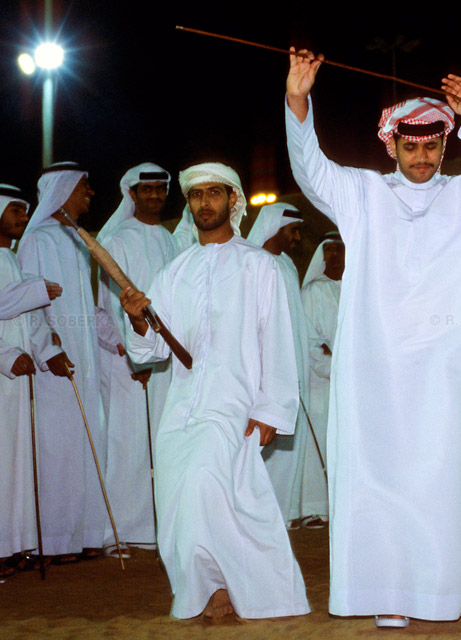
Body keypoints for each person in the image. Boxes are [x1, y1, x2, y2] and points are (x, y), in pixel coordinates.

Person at [285, 49, 461, 626]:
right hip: (377, 369)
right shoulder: (361, 195)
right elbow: (310, 169)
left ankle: (440, 592)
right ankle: (385, 596)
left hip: (448, 369)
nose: (421, 157)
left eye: (432, 146)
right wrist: (299, 102)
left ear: (445, 145)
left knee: (441, 477)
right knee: (377, 479)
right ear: (390, 145)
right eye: (410, 146)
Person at [119, 162, 308, 621]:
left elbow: (278, 342)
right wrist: (139, 320)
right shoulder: (174, 272)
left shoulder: (259, 266)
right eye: (197, 195)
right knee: (181, 497)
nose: (205, 202)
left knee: (209, 485)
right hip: (182, 405)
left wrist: (271, 408)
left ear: (233, 200)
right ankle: (204, 587)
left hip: (234, 402)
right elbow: (150, 353)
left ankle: (227, 590)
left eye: (215, 193)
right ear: (189, 203)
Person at [17, 162, 110, 563]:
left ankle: (86, 535)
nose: (90, 193)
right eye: (84, 186)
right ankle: (55, 542)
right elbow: (27, 303)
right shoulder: (37, 239)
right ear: (64, 188)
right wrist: (47, 349)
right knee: (58, 450)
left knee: (87, 447)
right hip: (54, 361)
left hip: (84, 360)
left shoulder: (75, 239)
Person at [96, 164, 177, 554]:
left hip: (164, 359)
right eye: (147, 189)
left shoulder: (168, 238)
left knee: (161, 443)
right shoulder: (118, 237)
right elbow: (108, 303)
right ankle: (121, 531)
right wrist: (136, 354)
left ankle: (153, 528)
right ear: (132, 194)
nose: (155, 195)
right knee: (128, 443)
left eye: (160, 188)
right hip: (128, 358)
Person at [0, 184, 67, 576]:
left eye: (25, 211)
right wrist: (8, 357)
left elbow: (31, 318)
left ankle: (14, 547)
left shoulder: (12, 263)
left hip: (17, 383)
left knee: (17, 468)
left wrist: (48, 353)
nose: (23, 218)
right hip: (4, 379)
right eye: (16, 210)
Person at [246, 203, 327, 529]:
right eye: (292, 231)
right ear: (275, 228)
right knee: (263, 445)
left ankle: (284, 513)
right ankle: (258, 516)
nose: (296, 238)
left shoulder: (289, 267)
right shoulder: (251, 264)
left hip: (293, 370)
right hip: (263, 372)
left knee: (289, 445)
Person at [299, 231, 345, 527]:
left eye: (338, 249)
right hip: (323, 382)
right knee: (322, 444)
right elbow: (310, 341)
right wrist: (337, 363)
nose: (333, 255)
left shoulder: (360, 286)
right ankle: (317, 510)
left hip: (355, 382)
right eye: (326, 249)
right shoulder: (313, 292)